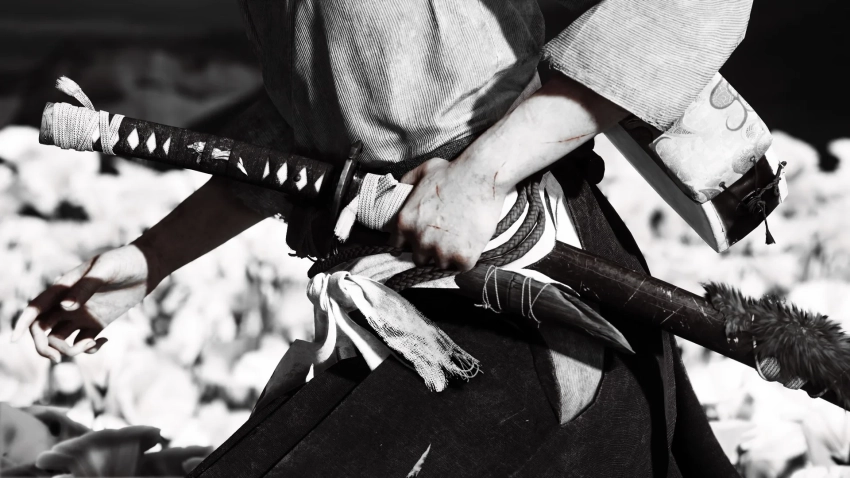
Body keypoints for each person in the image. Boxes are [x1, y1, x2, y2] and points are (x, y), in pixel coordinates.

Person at [13, 0, 755, 475]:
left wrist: (483, 176)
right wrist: (152, 259)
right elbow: (323, 119)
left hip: (517, 301)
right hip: (412, 290)